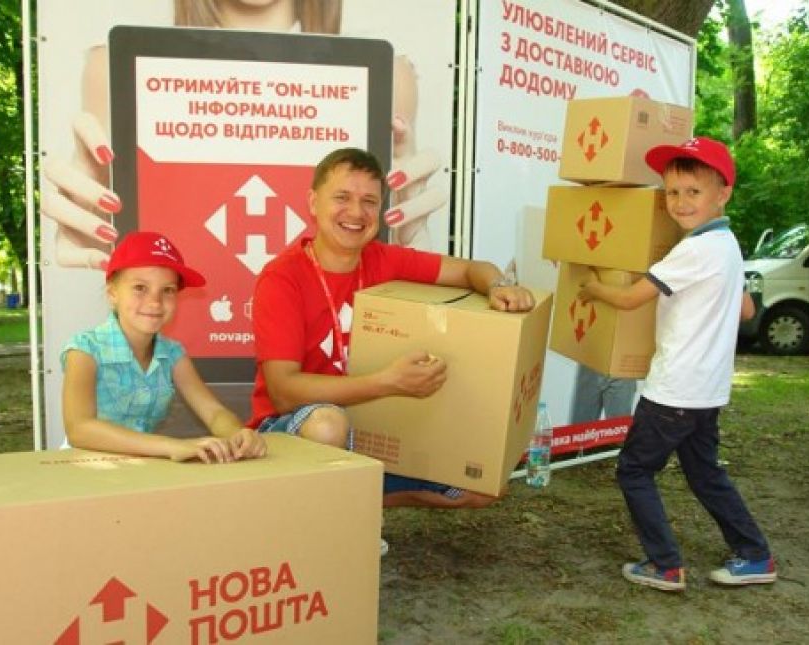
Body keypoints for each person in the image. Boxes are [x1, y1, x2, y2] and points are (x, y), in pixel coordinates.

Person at [41, 0, 444, 269]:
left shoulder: (388, 76)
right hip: (176, 356)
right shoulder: (114, 68)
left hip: (333, 355)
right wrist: (96, 225)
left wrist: (407, 246)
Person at [249, 147, 535, 511]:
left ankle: (366, 504)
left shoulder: (384, 259)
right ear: (313, 202)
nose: (356, 212)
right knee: (327, 425)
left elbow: (470, 269)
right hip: (291, 429)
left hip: (368, 427)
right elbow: (283, 391)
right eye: (342, 197)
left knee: (482, 485)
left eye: (369, 201)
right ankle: (327, 528)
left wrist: (499, 286)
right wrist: (388, 382)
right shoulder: (282, 278)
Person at [578, 136, 775, 592]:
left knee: (633, 470)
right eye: (671, 192)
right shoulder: (727, 244)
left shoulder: (694, 250)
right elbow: (746, 310)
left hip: (674, 389)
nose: (680, 202)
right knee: (705, 473)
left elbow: (630, 299)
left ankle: (664, 565)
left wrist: (592, 288)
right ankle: (755, 554)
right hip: (706, 390)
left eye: (693, 192)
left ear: (723, 193)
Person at [62, 230, 268, 464]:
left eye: (167, 290)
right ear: (112, 293)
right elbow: (79, 429)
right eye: (140, 287)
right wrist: (170, 446)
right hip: (84, 467)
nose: (155, 302)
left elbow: (213, 412)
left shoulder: (173, 354)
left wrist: (238, 433)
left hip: (143, 467)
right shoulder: (84, 350)